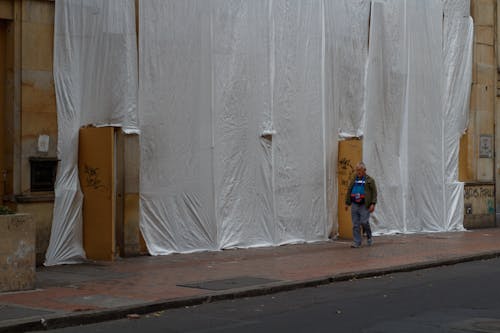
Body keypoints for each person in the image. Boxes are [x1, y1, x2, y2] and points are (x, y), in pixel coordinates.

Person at [345, 161, 377, 248]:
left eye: (360, 170)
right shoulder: (354, 179)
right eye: (357, 170)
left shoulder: (370, 180)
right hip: (355, 204)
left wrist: (373, 204)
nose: (358, 172)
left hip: (364, 204)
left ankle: (369, 236)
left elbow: (374, 193)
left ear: (364, 170)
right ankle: (357, 242)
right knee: (355, 224)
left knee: (364, 222)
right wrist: (347, 203)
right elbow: (349, 190)